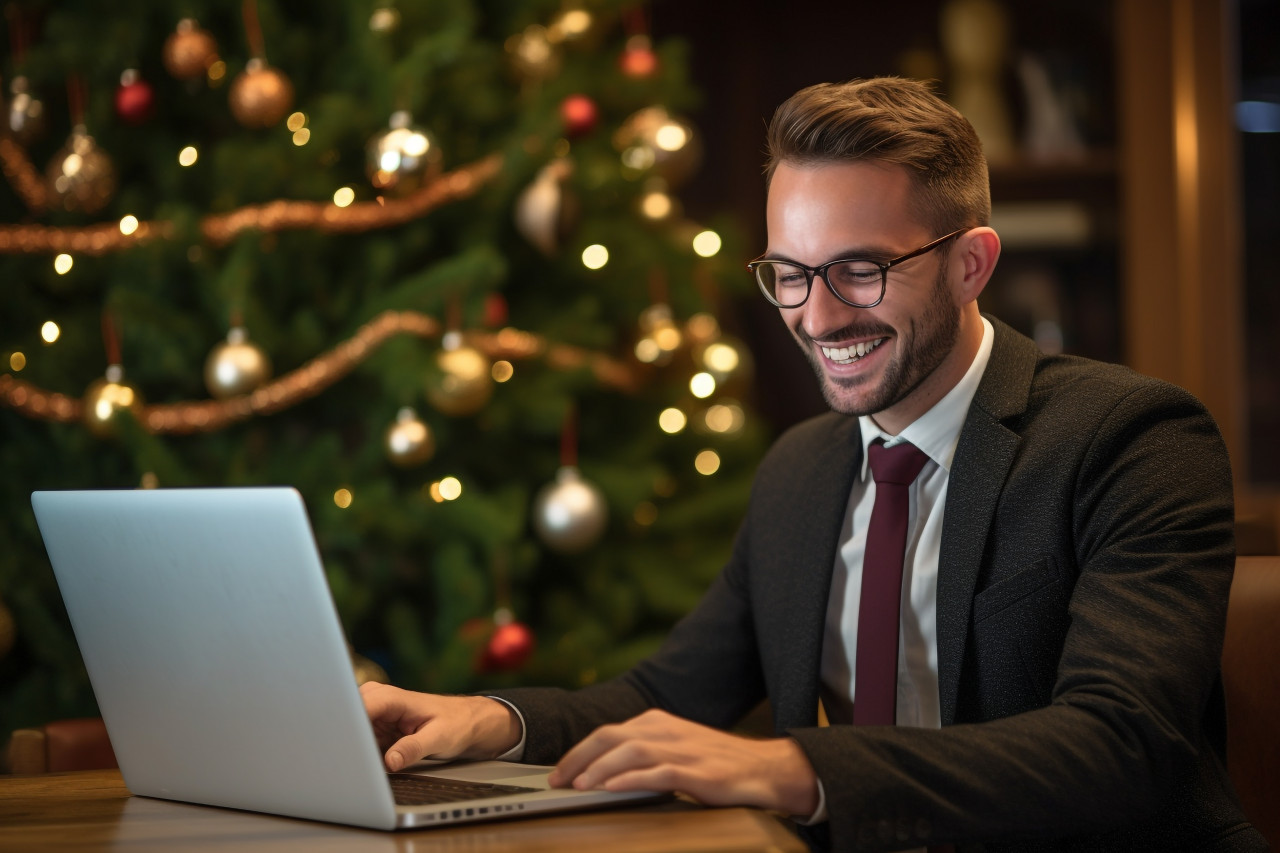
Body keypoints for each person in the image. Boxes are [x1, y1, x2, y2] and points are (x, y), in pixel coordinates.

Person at [361, 78, 1267, 851]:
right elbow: (665, 695)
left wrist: (796, 766)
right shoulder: (800, 469)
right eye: (789, 273)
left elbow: (1123, 746)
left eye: (860, 271)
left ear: (970, 264)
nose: (817, 317)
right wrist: (495, 722)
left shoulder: (1134, 439)